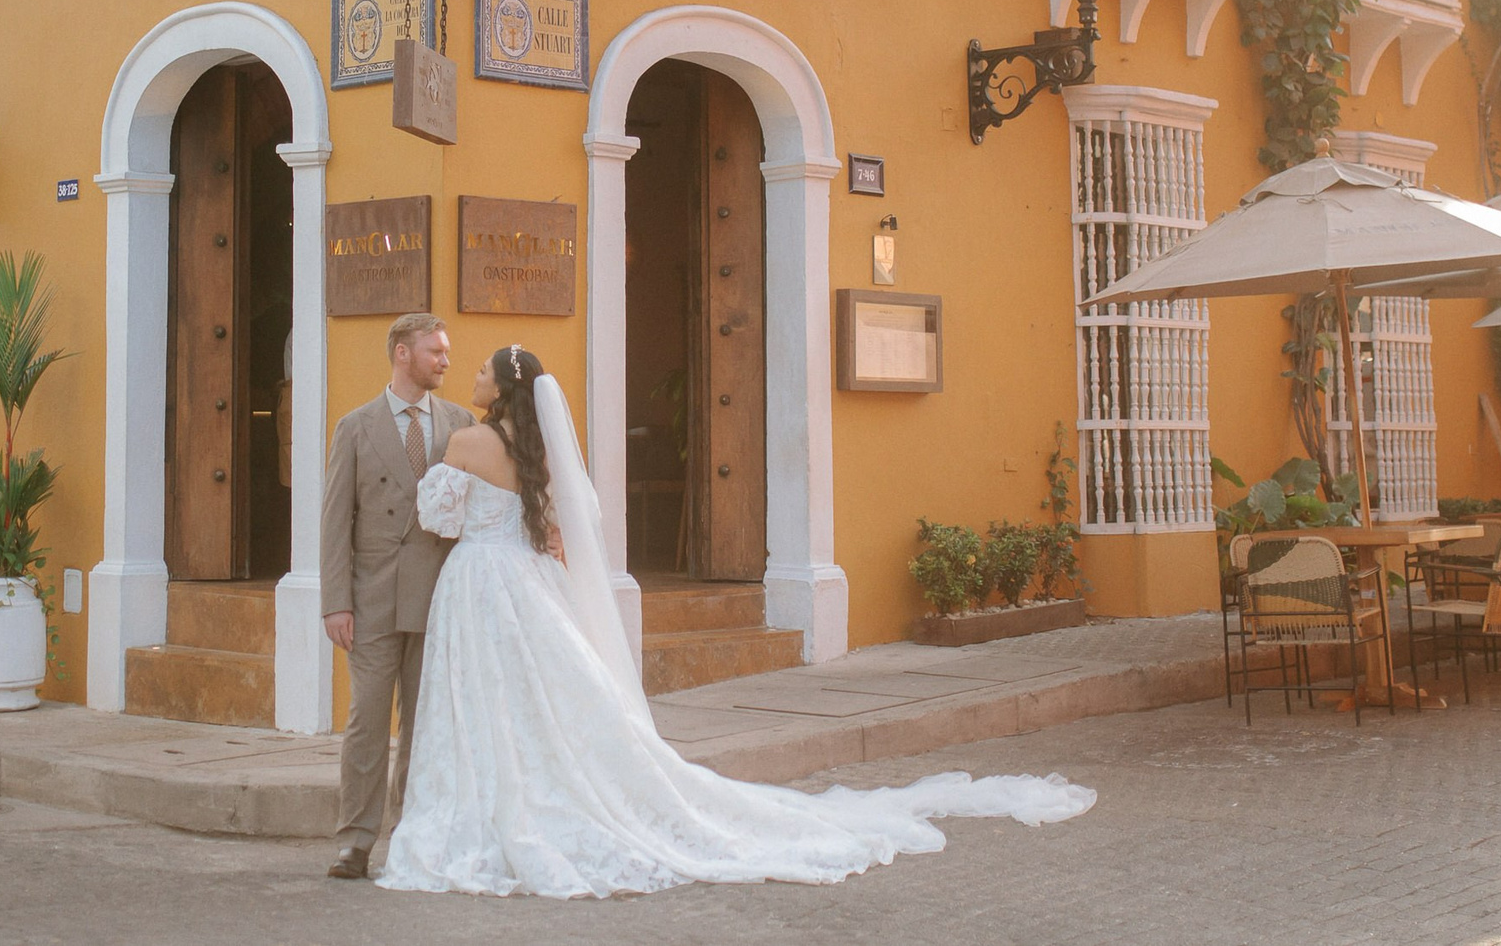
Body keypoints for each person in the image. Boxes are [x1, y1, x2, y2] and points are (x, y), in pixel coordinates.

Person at [377, 346, 1095, 897]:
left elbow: (435, 515)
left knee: (484, 702)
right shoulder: (534, 456)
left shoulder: (466, 443)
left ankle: (488, 806)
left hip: (477, 583)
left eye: (478, 369)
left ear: (501, 386)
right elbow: (568, 524)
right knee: (545, 702)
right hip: (527, 583)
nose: (468, 375)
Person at [320, 312, 475, 880]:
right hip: (373, 597)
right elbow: (336, 520)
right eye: (435, 351)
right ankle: (355, 841)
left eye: (446, 351)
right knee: (366, 720)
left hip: (436, 594)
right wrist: (336, 600)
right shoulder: (355, 427)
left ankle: (413, 832)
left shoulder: (461, 423)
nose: (446, 361)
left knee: (424, 722)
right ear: (402, 354)